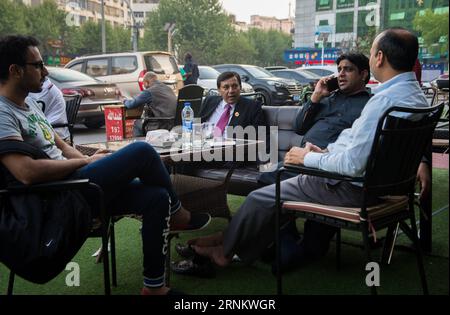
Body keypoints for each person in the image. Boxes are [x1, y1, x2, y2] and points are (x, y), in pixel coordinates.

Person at [183, 28, 430, 271]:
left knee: (264, 194)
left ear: (379, 58)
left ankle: (226, 250)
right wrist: (323, 149)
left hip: (345, 185)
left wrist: (308, 158)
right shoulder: (416, 98)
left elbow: (352, 165)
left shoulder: (381, 102)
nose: (341, 74)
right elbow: (351, 146)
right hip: (370, 182)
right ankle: (235, 242)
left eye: (371, 51)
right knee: (271, 189)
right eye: (339, 69)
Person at [0, 35, 210, 295]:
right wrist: (88, 161)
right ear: (15, 70)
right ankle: (179, 214)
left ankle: (153, 288)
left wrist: (90, 160)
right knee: (142, 151)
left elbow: (63, 148)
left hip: (74, 181)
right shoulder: (2, 112)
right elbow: (26, 173)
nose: (45, 71)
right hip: (55, 198)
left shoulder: (29, 103)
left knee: (156, 198)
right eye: (38, 65)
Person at [200, 71, 265, 138]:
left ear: (240, 87)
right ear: (219, 90)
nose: (231, 91)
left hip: (233, 147)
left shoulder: (252, 107)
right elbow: (196, 125)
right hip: (204, 145)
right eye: (226, 87)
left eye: (234, 86)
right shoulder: (209, 102)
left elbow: (262, 137)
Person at [123, 71, 177, 136]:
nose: (144, 86)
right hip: (173, 122)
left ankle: (141, 144)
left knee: (137, 124)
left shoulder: (149, 91)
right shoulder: (168, 88)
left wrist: (124, 100)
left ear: (146, 82)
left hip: (162, 123)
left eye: (144, 84)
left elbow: (131, 104)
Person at [27, 77, 70, 142]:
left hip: (54, 132)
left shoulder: (44, 90)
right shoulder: (48, 87)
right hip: (56, 130)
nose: (46, 72)